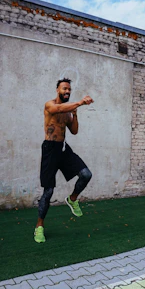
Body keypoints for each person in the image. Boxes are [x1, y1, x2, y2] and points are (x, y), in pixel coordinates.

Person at [34, 77, 94, 243]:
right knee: (48, 191)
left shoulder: (68, 111)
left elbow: (74, 131)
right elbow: (58, 108)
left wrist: (75, 114)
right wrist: (80, 103)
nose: (67, 91)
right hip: (50, 149)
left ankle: (72, 199)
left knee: (86, 174)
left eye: (69, 90)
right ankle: (39, 226)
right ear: (57, 90)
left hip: (63, 149)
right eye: (64, 89)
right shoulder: (50, 105)